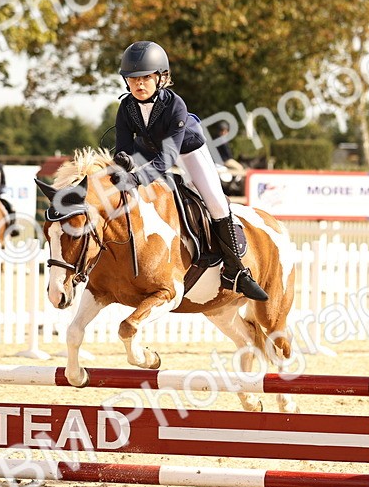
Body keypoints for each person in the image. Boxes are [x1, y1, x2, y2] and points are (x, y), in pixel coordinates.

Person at [111, 40, 267, 301]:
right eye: (133, 78)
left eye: (146, 77)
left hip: (187, 149)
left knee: (216, 202)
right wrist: (122, 167)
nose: (139, 84)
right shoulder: (126, 107)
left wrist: (138, 177)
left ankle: (236, 271)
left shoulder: (175, 106)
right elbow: (124, 149)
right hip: (149, 148)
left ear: (161, 78)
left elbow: (168, 157)